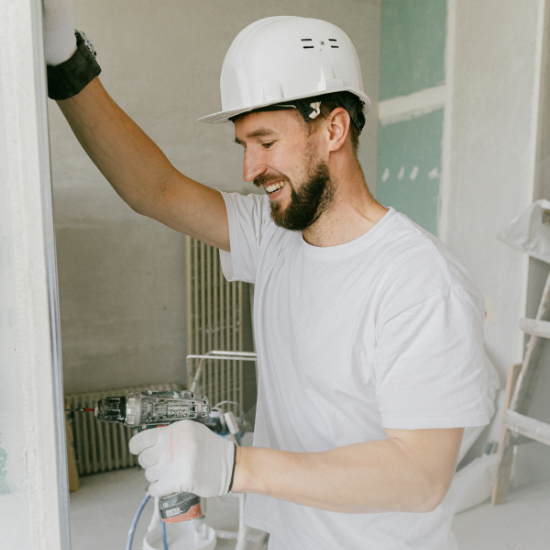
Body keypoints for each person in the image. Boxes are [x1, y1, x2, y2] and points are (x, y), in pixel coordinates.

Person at [44, 4, 490, 549]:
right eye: (245, 146)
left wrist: (236, 468)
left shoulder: (420, 282)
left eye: (266, 142)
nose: (250, 169)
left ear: (333, 127)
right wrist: (66, 65)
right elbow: (153, 189)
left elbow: (420, 478)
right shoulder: (275, 235)